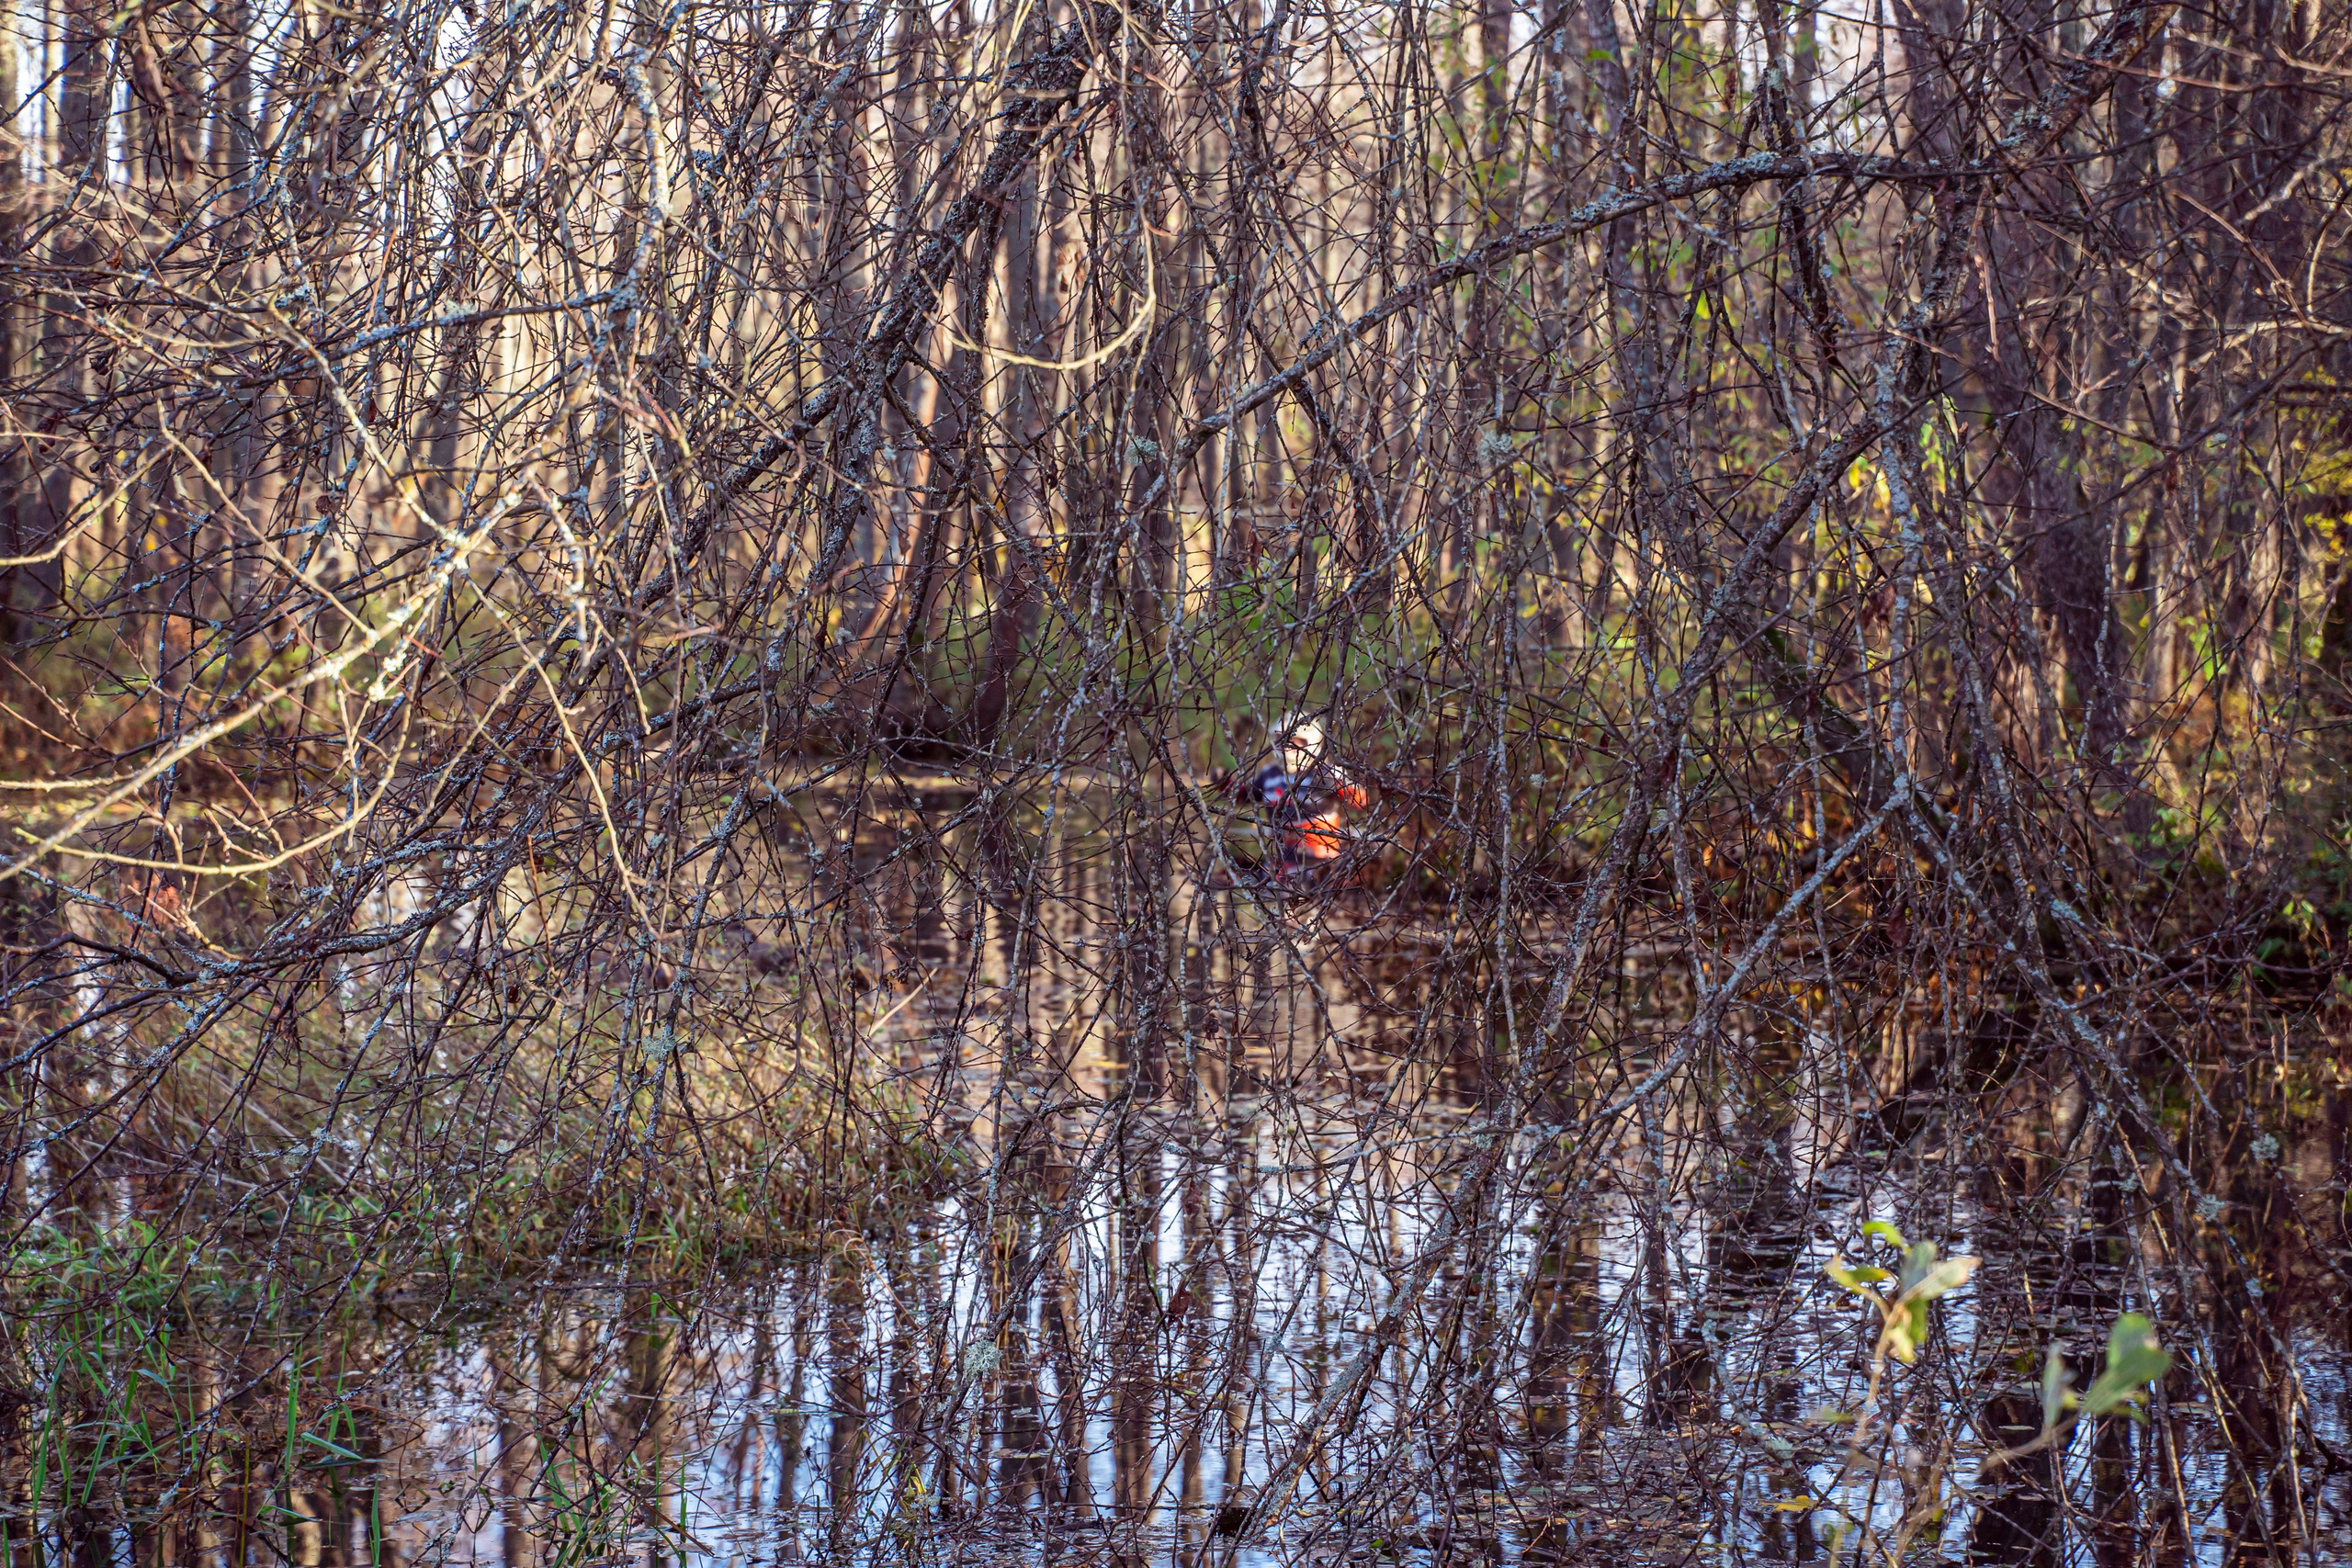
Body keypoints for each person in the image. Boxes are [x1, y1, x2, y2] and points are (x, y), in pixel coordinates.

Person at [1230, 718, 1368, 884]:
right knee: (1229, 876)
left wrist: (1346, 784)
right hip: (1280, 858)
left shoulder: (1326, 772)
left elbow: (1360, 801)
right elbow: (1242, 796)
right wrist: (1224, 782)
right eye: (1284, 742)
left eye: (1297, 742)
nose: (1289, 748)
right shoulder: (1269, 773)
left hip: (1320, 862)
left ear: (1312, 743)